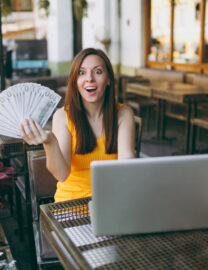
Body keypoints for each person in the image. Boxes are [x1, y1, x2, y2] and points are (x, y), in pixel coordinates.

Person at [19, 48, 135, 202]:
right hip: (71, 204)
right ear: (75, 81)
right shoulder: (62, 116)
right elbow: (61, 175)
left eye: (98, 71)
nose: (89, 79)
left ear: (108, 79)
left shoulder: (123, 114)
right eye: (82, 72)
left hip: (111, 201)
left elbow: (126, 166)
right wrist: (50, 142)